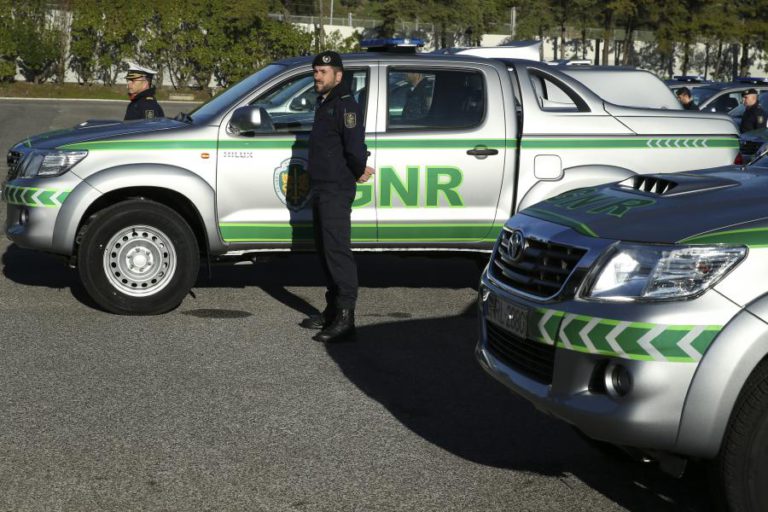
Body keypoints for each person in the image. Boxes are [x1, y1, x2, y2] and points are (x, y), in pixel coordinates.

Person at [300, 51, 375, 343]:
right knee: (325, 250)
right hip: (322, 186)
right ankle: (332, 310)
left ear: (338, 75)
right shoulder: (326, 102)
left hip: (335, 188)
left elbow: (354, 148)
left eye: (323, 71)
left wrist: (358, 169)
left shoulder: (345, 106)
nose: (317, 76)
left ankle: (346, 318)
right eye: (315, 71)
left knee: (337, 251)